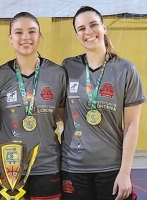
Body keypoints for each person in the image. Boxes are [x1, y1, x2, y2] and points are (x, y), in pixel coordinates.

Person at [61, 6, 145, 200]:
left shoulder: (126, 70)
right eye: (81, 28)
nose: (88, 32)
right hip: (73, 167)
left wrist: (125, 172)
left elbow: (132, 125)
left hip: (111, 167)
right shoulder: (68, 67)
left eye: (93, 25)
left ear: (104, 28)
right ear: (76, 35)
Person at [0, 12, 67, 200]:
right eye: (18, 32)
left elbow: (66, 118)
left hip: (47, 164)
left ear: (40, 36)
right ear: (10, 38)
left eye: (32, 31)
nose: (25, 37)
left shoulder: (58, 74)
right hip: (9, 167)